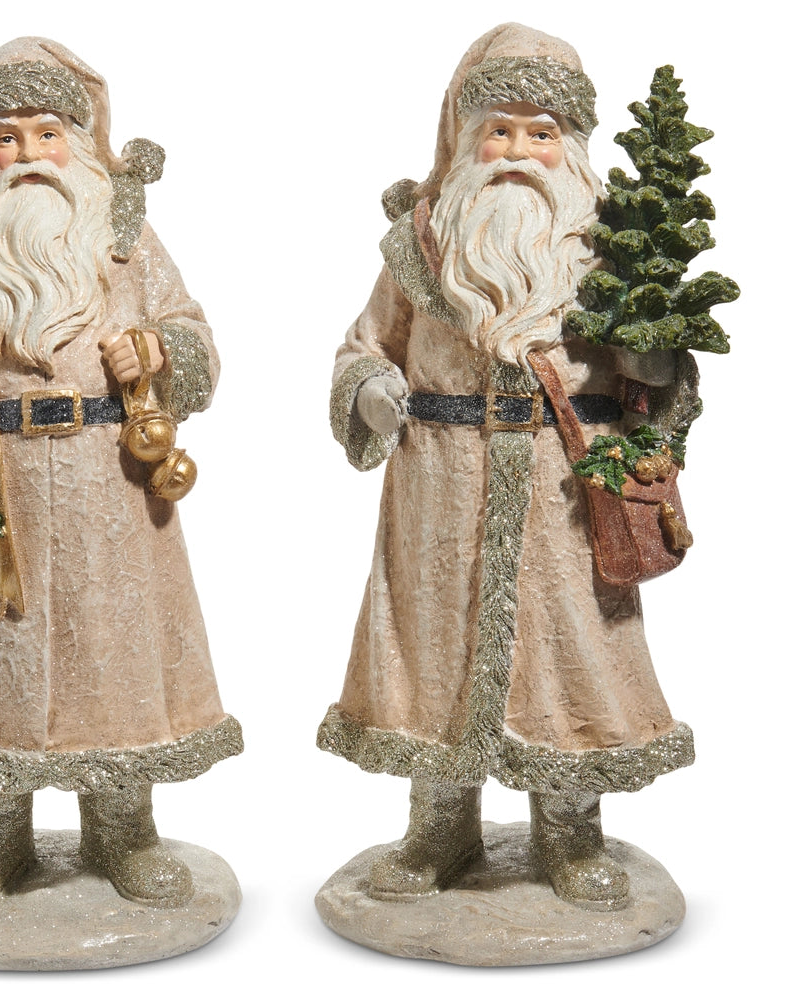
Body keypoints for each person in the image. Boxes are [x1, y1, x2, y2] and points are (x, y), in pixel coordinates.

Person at [0, 38, 241, 914]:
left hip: (112, 484)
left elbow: (194, 337)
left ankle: (124, 830)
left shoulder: (124, 238)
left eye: (46, 134)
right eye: (7, 138)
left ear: (80, 141)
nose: (28, 155)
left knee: (114, 654)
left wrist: (158, 351)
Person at [317, 23, 692, 909]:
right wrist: (370, 390)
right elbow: (366, 346)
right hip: (439, 485)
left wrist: (654, 371)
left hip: (568, 488)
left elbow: (665, 380)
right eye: (499, 130)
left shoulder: (612, 249)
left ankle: (570, 833)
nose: (519, 151)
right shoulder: (419, 247)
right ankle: (439, 830)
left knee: (570, 654)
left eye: (541, 132)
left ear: (572, 146)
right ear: (464, 138)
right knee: (435, 652)